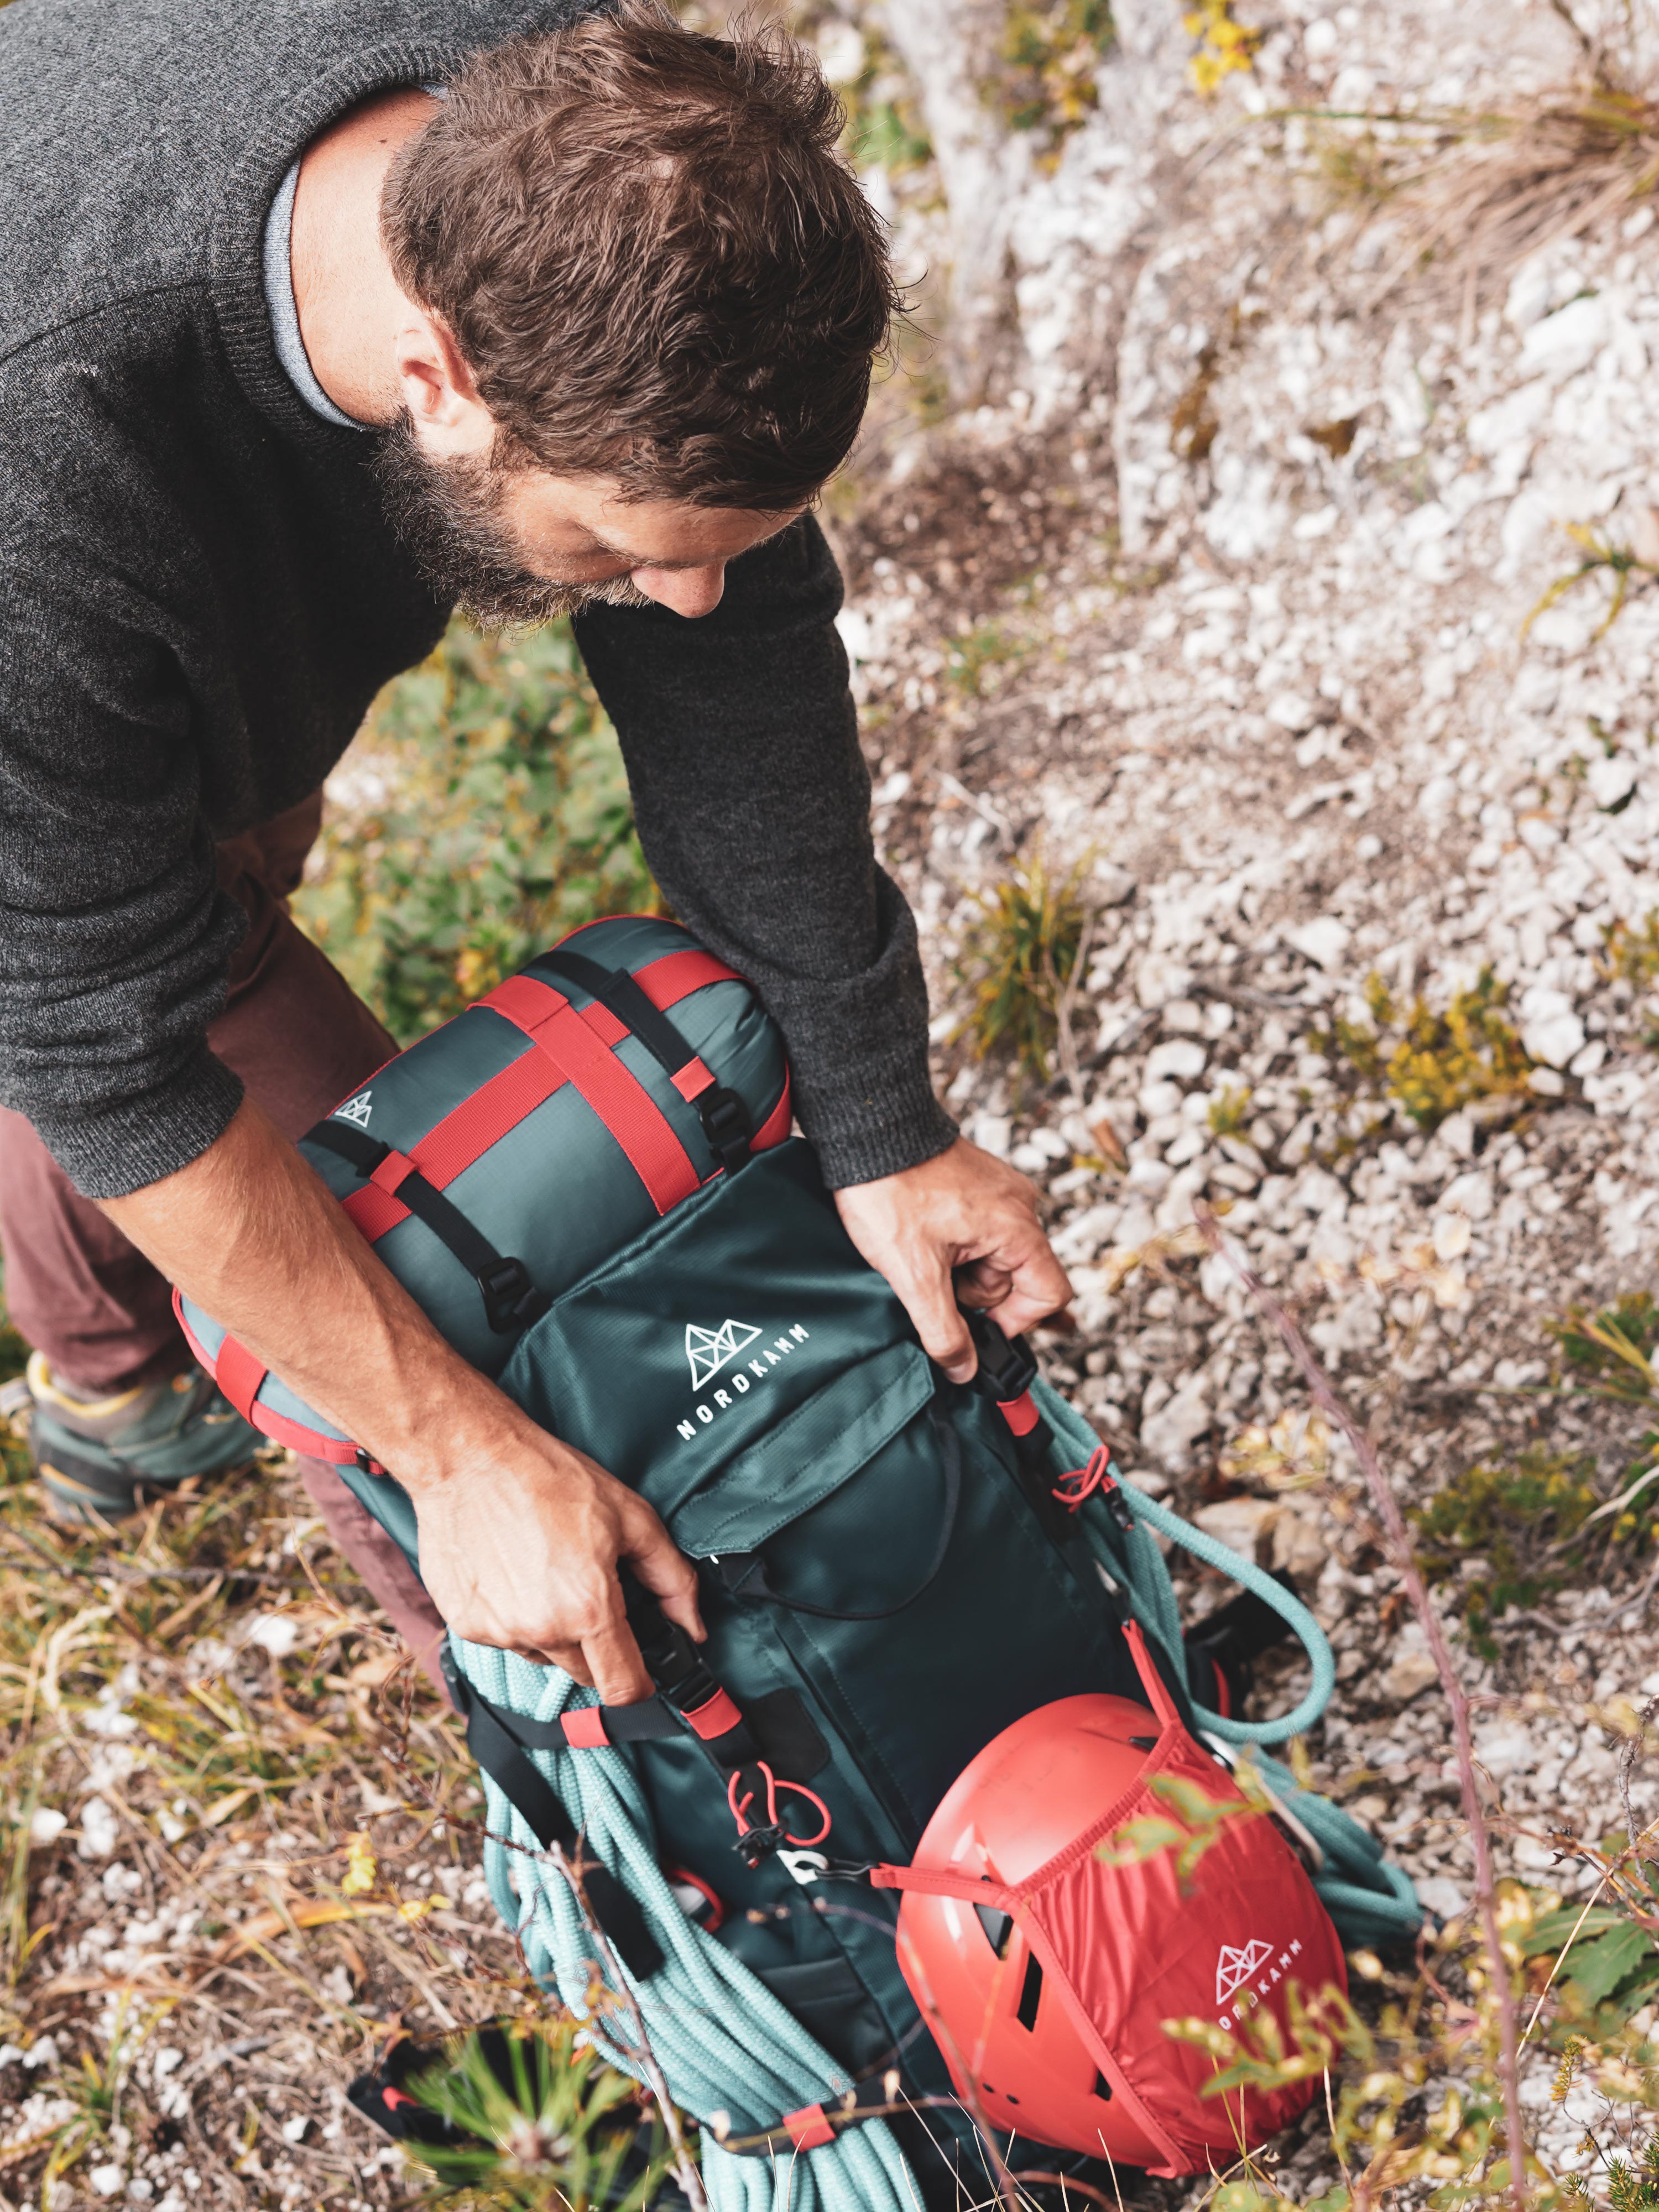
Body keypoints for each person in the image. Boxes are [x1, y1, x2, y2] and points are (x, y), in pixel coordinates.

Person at [0, 0, 1071, 1703]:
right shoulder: (51, 467)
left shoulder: (603, 139)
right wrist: (453, 1448)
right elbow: (99, 1048)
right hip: (50, 506)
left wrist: (883, 1122)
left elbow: (737, 651)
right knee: (373, 1232)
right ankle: (142, 1409)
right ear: (438, 382)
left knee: (178, 887)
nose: (690, 597)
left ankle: (113, 1371)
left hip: (121, 543)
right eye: (624, 551)